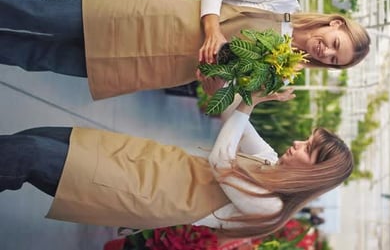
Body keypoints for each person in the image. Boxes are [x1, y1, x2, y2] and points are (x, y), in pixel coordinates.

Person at [0, 88, 353, 238]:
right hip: (142, 162)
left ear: (315, 171)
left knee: (28, 153)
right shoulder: (268, 161)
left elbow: (221, 162)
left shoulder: (269, 206)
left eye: (308, 148)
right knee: (35, 139)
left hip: (135, 191)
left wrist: (249, 105)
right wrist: (247, 91)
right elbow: (236, 117)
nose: (297, 143)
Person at [0, 0, 371, 100]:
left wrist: (255, 98)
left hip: (148, 66)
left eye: (332, 60)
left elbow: (216, 98)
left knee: (37, 57)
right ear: (334, 24)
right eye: (334, 45)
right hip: (141, 22)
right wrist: (211, 29)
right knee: (35, 11)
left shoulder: (282, 74)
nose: (325, 53)